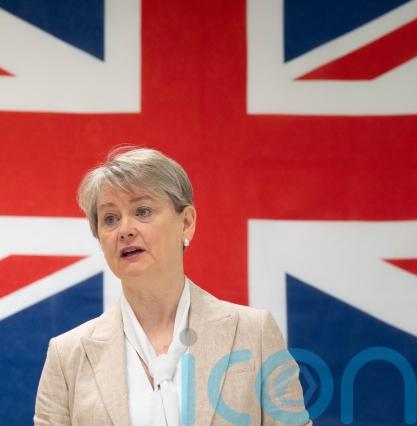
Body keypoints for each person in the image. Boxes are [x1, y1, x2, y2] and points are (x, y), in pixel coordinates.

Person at [34, 147, 311, 425]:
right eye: (110, 218)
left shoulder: (254, 333)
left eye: (142, 211)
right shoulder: (67, 355)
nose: (125, 230)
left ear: (186, 223)